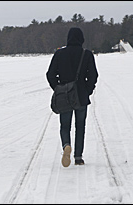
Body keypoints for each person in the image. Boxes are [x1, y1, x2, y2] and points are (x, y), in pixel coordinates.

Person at [46, 27, 98, 167]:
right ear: (81, 39)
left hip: (64, 95)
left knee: (65, 126)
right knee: (80, 126)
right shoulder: (86, 54)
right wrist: (87, 90)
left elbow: (50, 74)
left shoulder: (59, 54)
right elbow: (93, 75)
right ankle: (78, 157)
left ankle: (66, 146)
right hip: (81, 96)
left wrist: (58, 89)